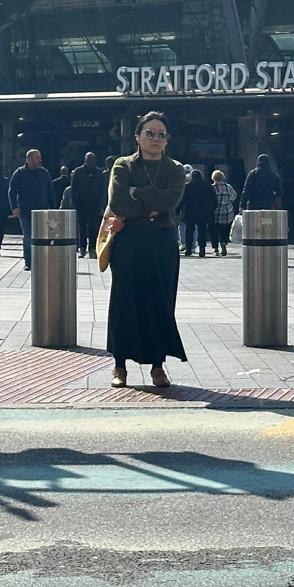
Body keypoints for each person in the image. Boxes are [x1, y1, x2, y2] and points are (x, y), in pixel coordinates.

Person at [102, 112, 188, 389]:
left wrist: (137, 193)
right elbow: (119, 201)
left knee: (160, 301)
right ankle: (119, 365)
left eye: (161, 134)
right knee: (124, 300)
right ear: (137, 136)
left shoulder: (175, 169)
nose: (155, 138)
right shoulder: (123, 165)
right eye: (149, 133)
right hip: (129, 241)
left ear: (167, 140)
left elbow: (170, 201)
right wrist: (149, 204)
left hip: (162, 242)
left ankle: (157, 366)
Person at [8, 149, 54, 271]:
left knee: (42, 237)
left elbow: (50, 192)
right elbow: (12, 191)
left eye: (40, 157)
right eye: (36, 158)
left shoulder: (44, 173)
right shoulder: (19, 173)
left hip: (42, 211)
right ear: (28, 159)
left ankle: (42, 261)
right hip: (25, 211)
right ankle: (28, 262)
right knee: (28, 237)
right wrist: (14, 207)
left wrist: (53, 209)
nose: (40, 160)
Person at [70, 152, 108, 259]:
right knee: (81, 226)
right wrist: (75, 203)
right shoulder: (78, 172)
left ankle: (92, 249)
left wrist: (102, 205)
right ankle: (82, 248)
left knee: (94, 227)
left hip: (95, 204)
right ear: (85, 160)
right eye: (88, 159)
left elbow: (103, 190)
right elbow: (73, 188)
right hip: (82, 203)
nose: (90, 161)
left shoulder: (99, 173)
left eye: (92, 159)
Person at [179, 167, 216, 257]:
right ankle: (202, 249)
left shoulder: (187, 186)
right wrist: (212, 209)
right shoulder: (208, 186)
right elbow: (214, 200)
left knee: (189, 230)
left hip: (190, 211)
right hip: (203, 212)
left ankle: (188, 249)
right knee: (202, 230)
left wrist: (178, 210)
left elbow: (182, 200)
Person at [210, 169, 237, 255]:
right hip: (226, 213)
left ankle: (215, 248)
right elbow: (234, 197)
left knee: (214, 230)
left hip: (214, 213)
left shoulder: (212, 188)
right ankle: (223, 242)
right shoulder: (228, 187)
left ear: (213, 178)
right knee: (224, 230)